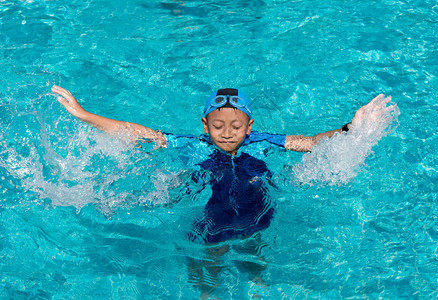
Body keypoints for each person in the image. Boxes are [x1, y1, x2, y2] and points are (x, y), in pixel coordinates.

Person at [51, 85, 392, 297]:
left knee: (256, 253)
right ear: (204, 125)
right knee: (209, 258)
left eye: (236, 126)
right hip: (215, 217)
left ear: (249, 126)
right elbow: (137, 133)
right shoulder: (194, 146)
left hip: (261, 211)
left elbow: (313, 142)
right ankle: (206, 294)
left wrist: (351, 128)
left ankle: (257, 288)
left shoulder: (262, 142)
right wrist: (84, 114)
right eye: (217, 126)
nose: (227, 133)